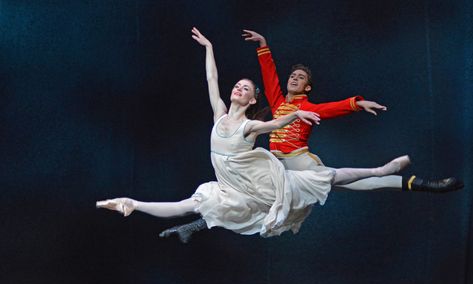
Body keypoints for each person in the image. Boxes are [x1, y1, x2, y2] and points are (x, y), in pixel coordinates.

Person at [97, 28, 410, 238]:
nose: (238, 87)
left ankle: (382, 170)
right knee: (195, 202)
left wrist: (345, 105)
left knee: (326, 178)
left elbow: (281, 122)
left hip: (277, 171)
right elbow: (213, 78)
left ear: (251, 99)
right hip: (240, 184)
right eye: (238, 85)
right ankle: (134, 204)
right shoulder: (222, 112)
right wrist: (210, 47)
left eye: (245, 88)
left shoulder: (252, 124)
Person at [158, 29, 464, 243]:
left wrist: (358, 103)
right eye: (293, 75)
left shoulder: (309, 106)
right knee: (243, 203)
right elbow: (269, 76)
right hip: (274, 167)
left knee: (357, 184)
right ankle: (196, 225)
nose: (294, 78)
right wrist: (263, 45)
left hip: (300, 163)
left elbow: (334, 108)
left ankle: (424, 184)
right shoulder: (277, 102)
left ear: (306, 88)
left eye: (300, 78)